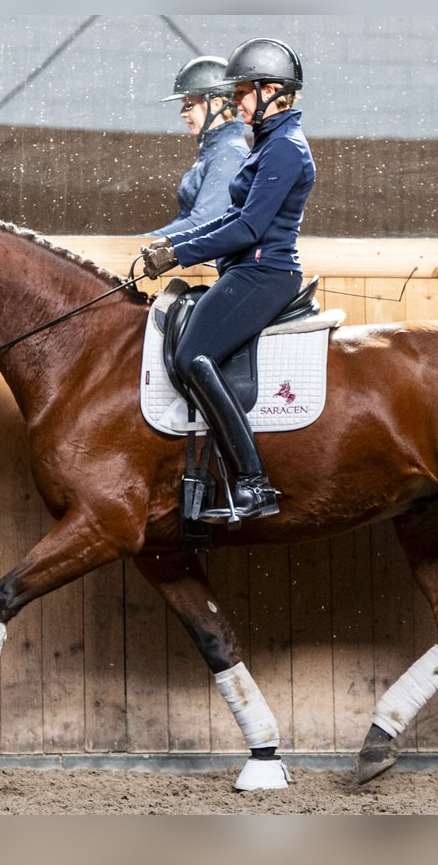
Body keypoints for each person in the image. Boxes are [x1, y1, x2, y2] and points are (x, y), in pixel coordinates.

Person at [139, 38, 314, 522]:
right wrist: (172, 248)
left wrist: (178, 253)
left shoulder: (284, 149)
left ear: (271, 91)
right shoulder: (268, 145)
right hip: (247, 270)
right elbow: (229, 218)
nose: (237, 102)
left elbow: (249, 229)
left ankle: (255, 483)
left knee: (193, 356)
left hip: (264, 274)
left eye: (242, 92)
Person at [145, 56, 249, 236]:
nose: (182, 114)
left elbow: (204, 223)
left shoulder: (230, 153)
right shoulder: (214, 151)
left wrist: (138, 244)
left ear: (216, 104)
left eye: (189, 105)